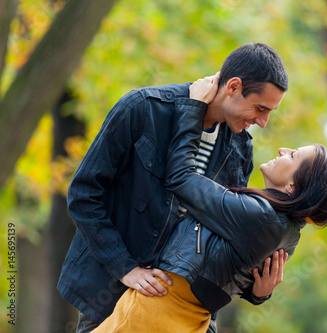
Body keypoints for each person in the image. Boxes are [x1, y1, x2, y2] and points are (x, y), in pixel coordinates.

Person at [57, 43, 289, 333]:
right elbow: (83, 195)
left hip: (186, 315)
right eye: (260, 108)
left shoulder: (241, 150)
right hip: (109, 298)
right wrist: (125, 269)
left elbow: (225, 242)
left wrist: (257, 290)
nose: (263, 122)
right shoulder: (143, 108)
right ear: (233, 87)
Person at [93, 74, 327, 332]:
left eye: (293, 156)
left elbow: (181, 178)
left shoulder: (261, 216)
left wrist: (193, 108)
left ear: (293, 186)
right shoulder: (288, 232)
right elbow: (226, 270)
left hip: (157, 310)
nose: (283, 150)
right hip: (186, 319)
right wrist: (258, 295)